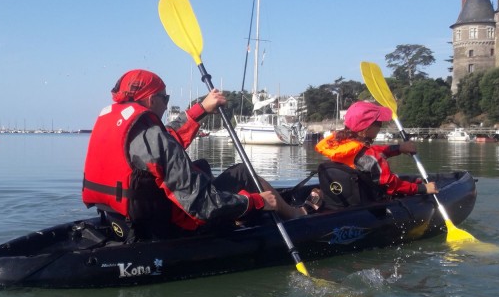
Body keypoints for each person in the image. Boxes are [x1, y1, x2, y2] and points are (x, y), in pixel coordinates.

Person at [82, 69, 303, 241]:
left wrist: (202, 109)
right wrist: (255, 202)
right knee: (242, 173)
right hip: (170, 227)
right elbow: (203, 206)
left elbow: (166, 139)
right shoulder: (151, 135)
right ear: (150, 100)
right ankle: (295, 215)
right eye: (164, 98)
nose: (166, 104)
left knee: (202, 166)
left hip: (122, 220)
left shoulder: (121, 125)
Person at [315, 101, 437, 197]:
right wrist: (423, 189)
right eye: (378, 123)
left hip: (343, 199)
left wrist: (399, 148)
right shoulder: (369, 156)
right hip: (369, 201)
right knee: (408, 182)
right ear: (366, 129)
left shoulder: (340, 145)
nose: (380, 126)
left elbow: (373, 153)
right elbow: (390, 184)